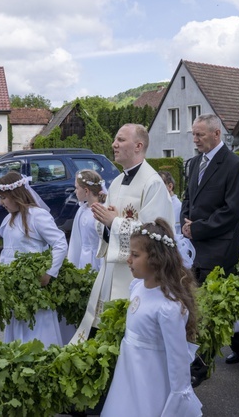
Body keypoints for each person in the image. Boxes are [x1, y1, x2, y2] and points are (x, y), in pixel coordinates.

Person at [72, 123, 175, 344]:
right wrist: (107, 222)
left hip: (137, 276)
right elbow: (106, 225)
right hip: (112, 271)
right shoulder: (117, 181)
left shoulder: (153, 183)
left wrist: (115, 222)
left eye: (120, 140)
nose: (114, 144)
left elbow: (156, 236)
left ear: (138, 146)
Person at [102, 219, 202, 417]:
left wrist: (175, 406)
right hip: (129, 375)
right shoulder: (137, 287)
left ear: (156, 259)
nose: (128, 259)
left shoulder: (168, 307)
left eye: (135, 254)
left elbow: (178, 362)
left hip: (151, 383)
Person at [181, 113, 239, 386]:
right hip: (193, 248)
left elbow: (231, 211)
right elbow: (188, 198)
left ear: (216, 134)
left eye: (200, 134)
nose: (195, 139)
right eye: (193, 134)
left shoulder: (235, 165)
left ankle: (202, 366)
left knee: (212, 312)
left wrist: (197, 228)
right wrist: (185, 223)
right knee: (195, 308)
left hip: (219, 249)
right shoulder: (195, 162)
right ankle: (198, 357)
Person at [0, 171, 69, 346]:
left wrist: (49, 273)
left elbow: (60, 244)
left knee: (37, 333)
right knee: (17, 332)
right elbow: (7, 252)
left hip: (34, 288)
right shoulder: (8, 219)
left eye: (4, 198)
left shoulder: (37, 216)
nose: (1, 203)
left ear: (16, 195)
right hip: (14, 289)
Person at [67, 169, 105, 271]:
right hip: (83, 259)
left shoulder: (101, 211)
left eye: (77, 188)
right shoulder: (82, 210)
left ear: (86, 191)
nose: (75, 191)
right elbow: (76, 240)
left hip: (97, 261)